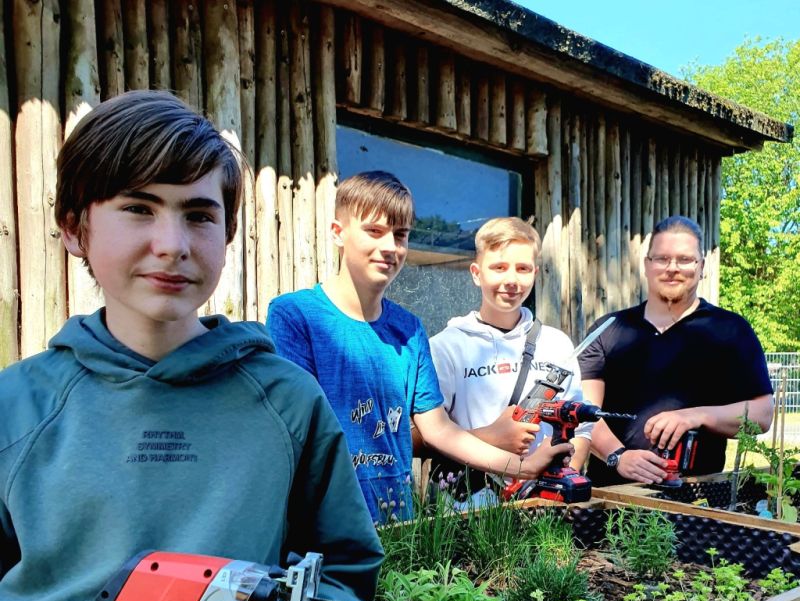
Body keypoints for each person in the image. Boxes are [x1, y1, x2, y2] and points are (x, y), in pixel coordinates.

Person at [0, 90, 383, 601]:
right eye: (138, 209)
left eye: (199, 214)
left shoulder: (286, 403)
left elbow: (341, 573)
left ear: (228, 232)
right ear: (75, 227)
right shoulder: (15, 409)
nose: (173, 243)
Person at [266, 171, 572, 521]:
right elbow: (295, 431)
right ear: (339, 233)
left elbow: (439, 430)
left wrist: (524, 467)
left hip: (398, 521)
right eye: (374, 231)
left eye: (400, 235)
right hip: (320, 523)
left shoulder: (409, 329)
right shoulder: (295, 316)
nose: (389, 247)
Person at [578, 215, 774, 487]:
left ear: (701, 266)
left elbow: (763, 415)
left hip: (698, 496)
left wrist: (697, 415)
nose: (672, 268)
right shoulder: (609, 329)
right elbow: (583, 412)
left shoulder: (731, 330)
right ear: (647, 265)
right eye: (662, 259)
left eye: (685, 259)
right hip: (612, 500)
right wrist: (618, 456)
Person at [429, 216, 592, 500]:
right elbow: (425, 436)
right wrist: (491, 435)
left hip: (544, 506)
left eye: (523, 269)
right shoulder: (446, 347)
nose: (512, 280)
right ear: (476, 273)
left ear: (536, 273)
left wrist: (561, 482)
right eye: (499, 268)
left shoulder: (556, 344)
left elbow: (581, 426)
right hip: (469, 510)